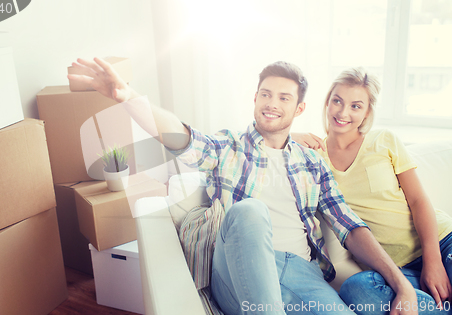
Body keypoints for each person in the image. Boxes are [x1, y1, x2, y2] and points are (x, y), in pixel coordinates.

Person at [68, 58, 417, 315]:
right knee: (250, 211)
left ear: (300, 109)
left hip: (301, 275)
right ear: (254, 99)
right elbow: (180, 136)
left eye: (284, 98)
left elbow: (350, 226)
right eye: (266, 94)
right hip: (235, 271)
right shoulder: (227, 147)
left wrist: (402, 284)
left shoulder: (312, 162)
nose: (272, 103)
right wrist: (127, 96)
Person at [294, 67, 452, 314]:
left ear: (367, 112)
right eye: (337, 101)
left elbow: (419, 200)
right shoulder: (314, 158)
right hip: (392, 271)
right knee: (355, 290)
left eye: (356, 106)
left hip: (441, 244)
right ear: (327, 102)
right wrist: (290, 134)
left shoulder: (384, 140)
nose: (343, 112)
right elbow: (263, 143)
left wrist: (434, 262)